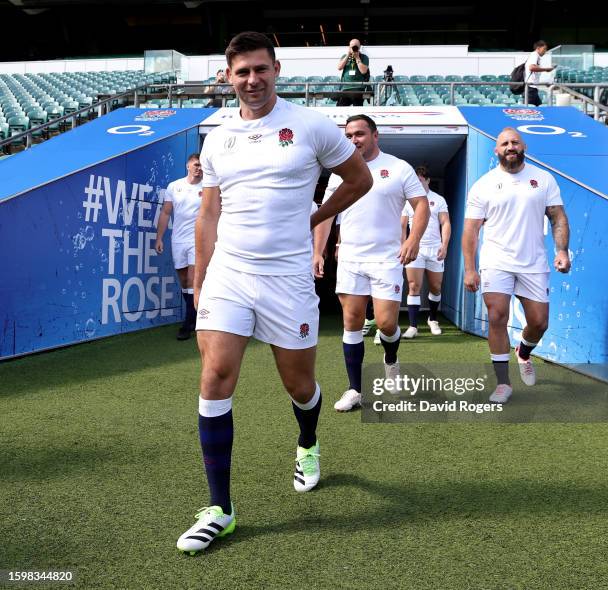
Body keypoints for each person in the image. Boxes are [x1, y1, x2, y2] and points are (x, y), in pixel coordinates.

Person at [176, 31, 372, 555]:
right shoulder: (216, 137)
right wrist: (201, 277)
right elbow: (210, 212)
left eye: (260, 69)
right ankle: (221, 509)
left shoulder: (310, 125)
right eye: (241, 72)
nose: (252, 80)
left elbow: (358, 181)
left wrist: (315, 216)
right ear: (227, 77)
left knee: (300, 385)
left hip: (287, 278)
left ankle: (307, 442)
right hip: (231, 273)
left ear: (276, 69)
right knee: (215, 376)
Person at [313, 114, 429, 412]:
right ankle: (355, 389)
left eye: (360, 134)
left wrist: (413, 239)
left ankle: (391, 361)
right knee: (351, 324)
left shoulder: (399, 167)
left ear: (375, 135)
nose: (354, 140)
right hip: (350, 257)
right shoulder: (339, 173)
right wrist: (318, 251)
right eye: (349, 135)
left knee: (387, 323)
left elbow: (421, 205)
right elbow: (327, 214)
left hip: (387, 258)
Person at [462, 127, 570, 404]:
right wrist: (470, 268)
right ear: (496, 150)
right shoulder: (483, 185)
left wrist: (561, 251)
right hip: (496, 261)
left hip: (533, 263)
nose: (510, 146)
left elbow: (557, 217)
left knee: (539, 322)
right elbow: (471, 230)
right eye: (504, 143)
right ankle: (503, 383)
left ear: (523, 147)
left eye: (515, 142)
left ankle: (523, 352)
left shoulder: (543, 179)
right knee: (497, 317)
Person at [155, 153, 203, 340]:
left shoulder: (209, 187)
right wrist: (159, 238)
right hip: (178, 239)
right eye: (196, 165)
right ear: (188, 166)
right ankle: (194, 316)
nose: (199, 168)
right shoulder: (174, 186)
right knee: (184, 281)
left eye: (202, 166)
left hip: (198, 240)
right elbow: (166, 212)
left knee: (192, 280)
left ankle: (188, 322)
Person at [401, 165, 451, 339]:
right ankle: (413, 326)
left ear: (428, 180)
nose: (418, 183)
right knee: (414, 286)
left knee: (436, 287)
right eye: (415, 180)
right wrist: (403, 245)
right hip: (416, 248)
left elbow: (445, 223)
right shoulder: (408, 201)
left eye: (421, 180)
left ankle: (433, 319)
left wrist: (444, 245)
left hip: (435, 248)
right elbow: (402, 226)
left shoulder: (439, 200)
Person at [336, 39, 370, 107]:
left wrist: (357, 58)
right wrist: (348, 55)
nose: (354, 48)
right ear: (349, 47)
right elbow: (339, 67)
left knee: (357, 108)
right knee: (340, 108)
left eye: (356, 47)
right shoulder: (344, 56)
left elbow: (363, 71)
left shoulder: (364, 57)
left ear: (359, 47)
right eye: (352, 47)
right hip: (346, 88)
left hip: (359, 88)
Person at [524, 40, 557, 107]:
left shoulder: (537, 57)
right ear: (538, 48)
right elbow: (532, 68)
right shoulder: (534, 55)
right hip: (530, 88)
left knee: (539, 107)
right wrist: (546, 69)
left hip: (533, 88)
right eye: (544, 49)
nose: (545, 51)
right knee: (530, 109)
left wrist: (547, 69)